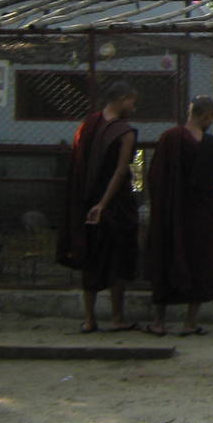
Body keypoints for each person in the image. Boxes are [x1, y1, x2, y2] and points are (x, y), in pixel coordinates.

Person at [56, 80, 140, 332]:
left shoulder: (87, 125)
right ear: (122, 99)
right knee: (117, 259)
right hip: (115, 203)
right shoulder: (125, 132)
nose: (133, 108)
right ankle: (116, 318)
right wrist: (103, 203)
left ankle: (90, 319)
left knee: (90, 256)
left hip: (85, 199)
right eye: (132, 102)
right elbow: (121, 170)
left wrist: (89, 201)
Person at [144, 95, 213, 337]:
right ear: (206, 116)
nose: (211, 122)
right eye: (211, 118)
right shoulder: (211, 146)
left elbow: (154, 176)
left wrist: (159, 205)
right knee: (200, 261)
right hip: (200, 214)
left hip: (169, 213)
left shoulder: (168, 138)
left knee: (167, 259)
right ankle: (189, 323)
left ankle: (159, 322)